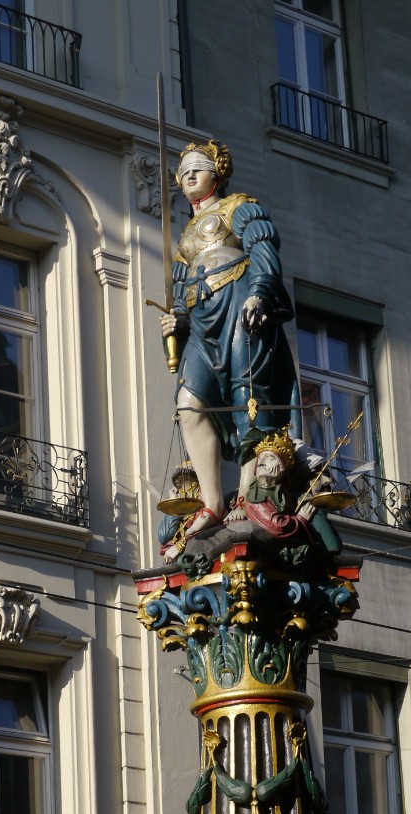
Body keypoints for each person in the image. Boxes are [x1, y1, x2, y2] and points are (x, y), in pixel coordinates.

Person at [160, 138, 301, 551]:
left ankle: (247, 493)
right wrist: (177, 322)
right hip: (203, 322)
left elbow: (262, 248)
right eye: (183, 171)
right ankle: (211, 501)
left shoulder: (240, 206)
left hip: (238, 303)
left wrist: (259, 292)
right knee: (189, 403)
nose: (188, 175)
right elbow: (181, 290)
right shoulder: (185, 238)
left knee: (247, 395)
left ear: (217, 173)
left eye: (197, 168)